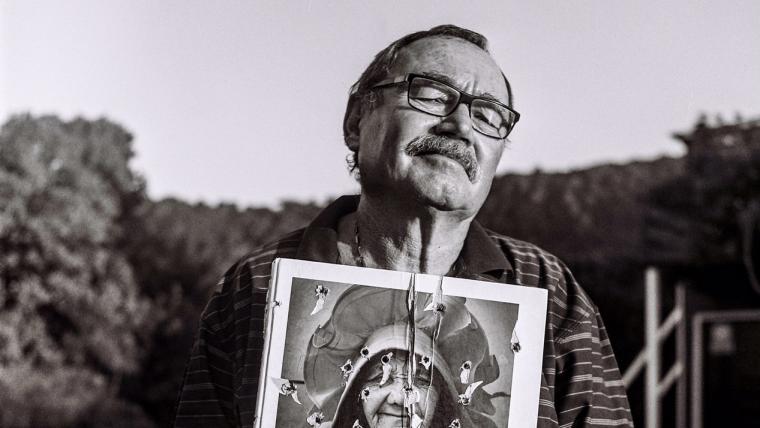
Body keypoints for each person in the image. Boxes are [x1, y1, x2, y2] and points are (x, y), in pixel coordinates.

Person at [175, 24, 633, 427]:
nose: (460, 126)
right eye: (432, 95)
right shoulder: (258, 284)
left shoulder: (550, 289)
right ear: (357, 122)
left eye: (488, 116)